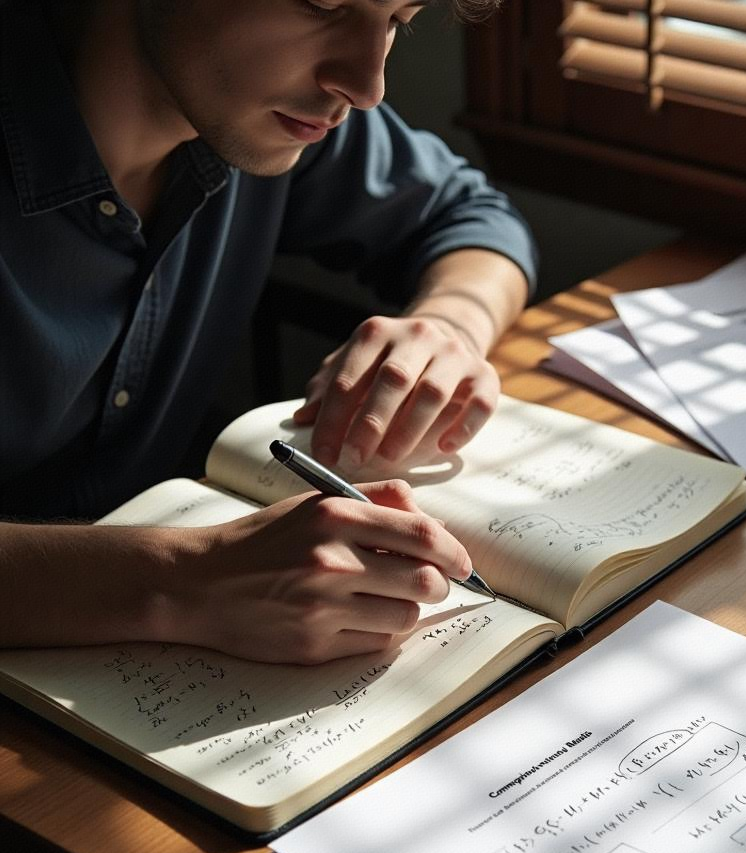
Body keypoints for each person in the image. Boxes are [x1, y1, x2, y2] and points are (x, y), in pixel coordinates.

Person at [0, 0, 537, 663]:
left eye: (397, 19)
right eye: (323, 4)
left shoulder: (272, 117)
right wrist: (177, 579)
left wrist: (447, 323)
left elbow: (472, 217)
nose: (367, 86)